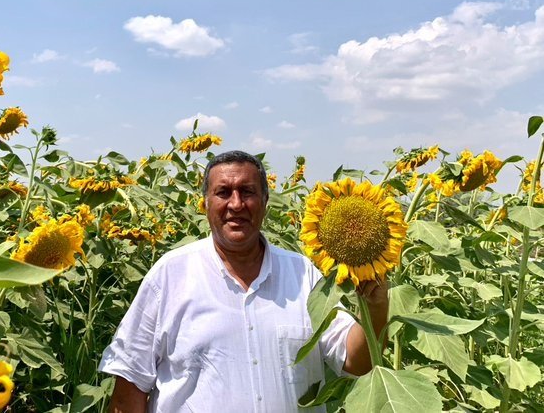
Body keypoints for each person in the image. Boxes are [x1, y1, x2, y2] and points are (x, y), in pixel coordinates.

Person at [100, 151, 389, 412]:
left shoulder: (304, 274)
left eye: (247, 192)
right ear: (205, 204)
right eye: (223, 192)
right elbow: (129, 387)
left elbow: (356, 363)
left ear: (265, 202)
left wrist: (376, 310)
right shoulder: (170, 276)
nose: (236, 204)